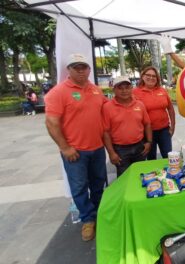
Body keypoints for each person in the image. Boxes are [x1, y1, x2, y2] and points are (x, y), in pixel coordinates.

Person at [44, 53, 107, 241]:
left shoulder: (96, 90)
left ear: (89, 69)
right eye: (76, 67)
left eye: (84, 67)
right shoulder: (58, 92)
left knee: (98, 183)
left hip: (97, 148)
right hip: (75, 151)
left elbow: (106, 112)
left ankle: (99, 215)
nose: (80, 71)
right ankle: (88, 220)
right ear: (68, 70)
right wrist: (65, 148)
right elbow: (51, 123)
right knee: (79, 187)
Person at [102, 76, 153, 177]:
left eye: (127, 87)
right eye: (120, 88)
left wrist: (149, 142)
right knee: (124, 178)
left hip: (139, 147)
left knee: (141, 176)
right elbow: (105, 132)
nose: (124, 91)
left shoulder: (139, 105)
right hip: (120, 150)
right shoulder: (107, 107)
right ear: (114, 90)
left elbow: (147, 124)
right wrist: (111, 153)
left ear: (131, 88)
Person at [133, 66, 175, 160]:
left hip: (164, 130)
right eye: (148, 75)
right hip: (147, 132)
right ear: (143, 76)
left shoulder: (162, 91)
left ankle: (169, 174)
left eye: (154, 76)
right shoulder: (135, 92)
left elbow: (171, 109)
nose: (151, 78)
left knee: (168, 157)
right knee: (151, 158)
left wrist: (172, 126)